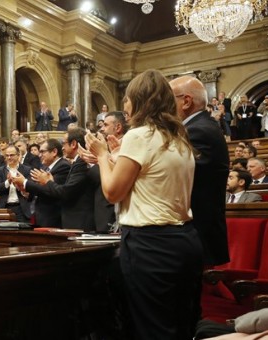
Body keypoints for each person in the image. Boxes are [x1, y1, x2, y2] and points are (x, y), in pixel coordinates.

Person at [88, 69, 202, 339]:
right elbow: (151, 179)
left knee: (151, 329)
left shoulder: (139, 135)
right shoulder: (178, 136)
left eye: (126, 99)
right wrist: (117, 156)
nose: (124, 106)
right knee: (181, 326)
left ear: (139, 100)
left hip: (151, 246)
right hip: (185, 241)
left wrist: (103, 156)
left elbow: (113, 192)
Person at [170, 75, 230, 267]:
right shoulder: (198, 127)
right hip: (193, 235)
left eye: (168, 100)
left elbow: (174, 177)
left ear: (186, 101)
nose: (164, 107)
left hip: (197, 234)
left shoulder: (198, 131)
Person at [0, 145, 32, 223]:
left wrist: (20, 185)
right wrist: (8, 182)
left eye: (11, 155)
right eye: (7, 155)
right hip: (5, 208)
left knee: (22, 234)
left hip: (21, 208)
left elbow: (31, 189)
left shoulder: (26, 170)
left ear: (18, 155)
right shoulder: (0, 170)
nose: (9, 157)